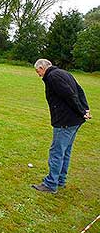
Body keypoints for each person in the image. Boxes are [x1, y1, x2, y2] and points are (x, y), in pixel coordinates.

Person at [32, 59, 91, 194]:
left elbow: (70, 95)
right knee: (65, 150)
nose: (39, 75)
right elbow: (80, 90)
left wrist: (82, 111)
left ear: (42, 67)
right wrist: (85, 109)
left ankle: (51, 184)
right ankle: (60, 180)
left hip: (65, 121)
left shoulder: (52, 76)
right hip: (74, 120)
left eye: (38, 71)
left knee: (57, 152)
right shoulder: (64, 73)